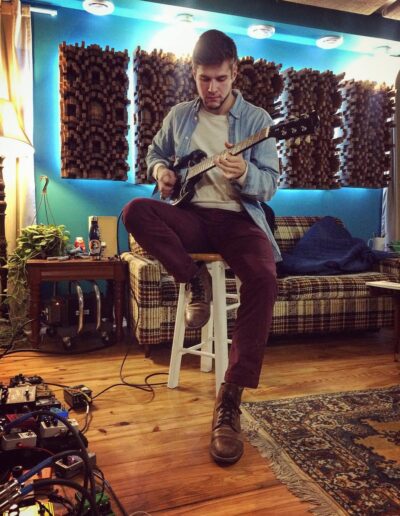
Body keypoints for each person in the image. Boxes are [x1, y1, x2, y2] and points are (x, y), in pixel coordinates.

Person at [123, 29, 281, 465]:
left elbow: (270, 185)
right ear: (193, 73)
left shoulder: (258, 120)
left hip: (239, 220)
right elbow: (155, 153)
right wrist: (161, 172)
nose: (212, 88)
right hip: (191, 217)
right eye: (204, 79)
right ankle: (194, 280)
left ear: (235, 74)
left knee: (264, 278)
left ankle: (230, 398)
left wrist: (245, 173)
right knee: (135, 211)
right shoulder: (179, 116)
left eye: (220, 79)